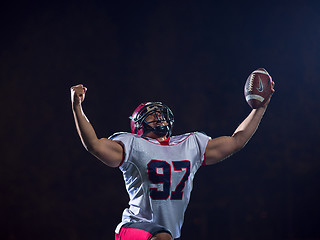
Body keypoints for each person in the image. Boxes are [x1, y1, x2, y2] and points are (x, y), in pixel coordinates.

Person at [71, 81, 275, 240]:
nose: (158, 116)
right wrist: (77, 106)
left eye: (160, 113)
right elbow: (94, 145)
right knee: (162, 236)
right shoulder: (132, 143)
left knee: (165, 235)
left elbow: (236, 141)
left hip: (167, 233)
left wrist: (260, 108)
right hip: (133, 228)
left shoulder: (191, 143)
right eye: (151, 115)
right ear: (138, 125)